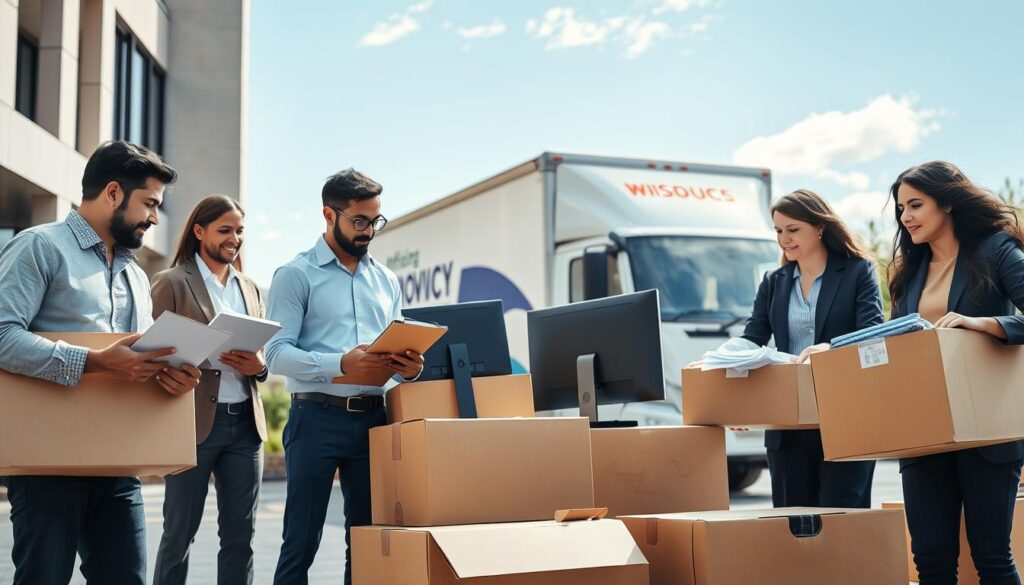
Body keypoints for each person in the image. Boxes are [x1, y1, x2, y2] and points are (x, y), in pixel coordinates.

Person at [0, 141, 200, 585]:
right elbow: (1, 336)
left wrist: (172, 374)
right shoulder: (39, 247)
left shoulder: (134, 273)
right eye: (149, 203)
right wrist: (94, 362)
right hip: (47, 464)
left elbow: (137, 357)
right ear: (113, 192)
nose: (153, 216)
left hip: (118, 465)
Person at [266, 168, 424, 585]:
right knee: (300, 542)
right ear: (328, 215)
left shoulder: (387, 280)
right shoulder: (295, 275)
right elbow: (276, 354)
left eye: (376, 220)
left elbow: (393, 353)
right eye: (360, 220)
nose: (369, 230)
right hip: (316, 419)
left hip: (375, 422)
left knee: (368, 540)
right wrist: (341, 364)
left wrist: (409, 370)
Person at [697, 189, 882, 508]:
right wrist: (718, 364)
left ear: (820, 227)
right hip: (787, 427)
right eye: (779, 231)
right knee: (791, 528)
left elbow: (873, 333)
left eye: (793, 230)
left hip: (845, 418)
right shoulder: (774, 281)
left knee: (844, 525)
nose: (784, 239)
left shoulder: (857, 272)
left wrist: (831, 348)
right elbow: (752, 337)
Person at [890, 161, 1024, 585]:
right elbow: (895, 339)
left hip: (986, 429)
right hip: (922, 429)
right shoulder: (908, 271)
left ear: (947, 203)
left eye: (915, 204)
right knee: (929, 559)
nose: (905, 217)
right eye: (900, 209)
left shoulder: (996, 250)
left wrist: (986, 324)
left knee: (991, 556)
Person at [151, 195, 269, 585]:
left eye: (239, 231)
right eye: (225, 230)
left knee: (240, 538)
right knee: (178, 535)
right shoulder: (171, 283)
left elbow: (262, 353)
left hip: (245, 428)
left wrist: (260, 366)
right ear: (200, 232)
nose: (234, 238)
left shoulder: (250, 287)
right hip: (191, 424)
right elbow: (148, 355)